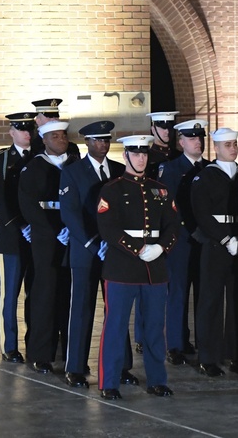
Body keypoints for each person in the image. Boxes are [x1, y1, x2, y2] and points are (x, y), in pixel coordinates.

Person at [96, 134, 179, 400]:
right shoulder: (112, 189)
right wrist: (138, 249)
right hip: (122, 268)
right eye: (136, 153)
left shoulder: (161, 189)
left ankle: (157, 380)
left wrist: (161, 248)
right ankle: (109, 382)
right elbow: (108, 228)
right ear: (126, 156)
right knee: (116, 326)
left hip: (155, 269)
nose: (141, 158)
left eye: (144, 154)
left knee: (155, 327)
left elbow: (173, 225)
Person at [59, 121, 135, 388]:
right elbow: (70, 213)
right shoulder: (73, 172)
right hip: (85, 252)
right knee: (81, 310)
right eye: (98, 140)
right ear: (87, 143)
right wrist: (94, 244)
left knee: (117, 309)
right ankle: (76, 367)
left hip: (115, 252)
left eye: (106, 140)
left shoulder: (117, 170)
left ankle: (121, 366)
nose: (103, 144)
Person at [17, 118, 77, 373]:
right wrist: (53, 231)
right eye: (54, 137)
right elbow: (29, 206)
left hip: (73, 237)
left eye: (63, 136)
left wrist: (72, 228)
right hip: (46, 240)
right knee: (45, 294)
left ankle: (69, 351)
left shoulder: (75, 166)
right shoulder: (34, 168)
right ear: (44, 140)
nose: (60, 140)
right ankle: (41, 353)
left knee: (69, 296)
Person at [191, 127, 238, 378]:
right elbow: (201, 214)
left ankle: (237, 356)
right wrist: (225, 238)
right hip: (216, 244)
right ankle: (208, 357)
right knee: (211, 301)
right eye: (227, 145)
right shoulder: (204, 176)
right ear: (215, 148)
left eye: (235, 143)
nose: (233, 148)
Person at [158, 118, 209, 365]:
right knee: (177, 292)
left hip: (206, 241)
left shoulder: (210, 168)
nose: (197, 142)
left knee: (203, 293)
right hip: (181, 241)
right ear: (180, 142)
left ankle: (203, 341)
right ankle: (175, 344)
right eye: (191, 138)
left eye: (200, 138)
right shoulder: (171, 169)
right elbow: (170, 208)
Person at [0, 112, 36, 364]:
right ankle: (9, 347)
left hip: (37, 237)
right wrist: (18, 225)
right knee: (9, 295)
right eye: (21, 129)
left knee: (35, 293)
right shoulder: (2, 159)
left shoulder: (39, 156)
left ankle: (35, 343)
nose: (27, 133)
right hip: (12, 237)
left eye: (30, 129)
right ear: (12, 133)